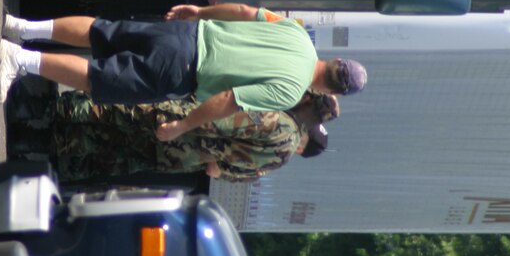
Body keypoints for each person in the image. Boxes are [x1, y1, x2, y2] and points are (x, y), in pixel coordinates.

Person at [0, 3, 366, 142]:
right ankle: (19, 59)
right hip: (185, 71)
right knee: (100, 77)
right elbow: (228, 100)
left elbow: (243, 11)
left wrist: (200, 12)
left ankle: (22, 26)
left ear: (335, 61)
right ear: (330, 92)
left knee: (101, 32)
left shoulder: (297, 33)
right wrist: (181, 126)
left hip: (187, 34)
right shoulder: (290, 91)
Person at [17, 90, 338, 184]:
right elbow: (217, 171)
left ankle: (37, 109)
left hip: (182, 124)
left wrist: (185, 122)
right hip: (180, 158)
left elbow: (221, 122)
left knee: (111, 110)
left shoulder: (278, 121)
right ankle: (31, 143)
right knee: (106, 147)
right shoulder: (278, 161)